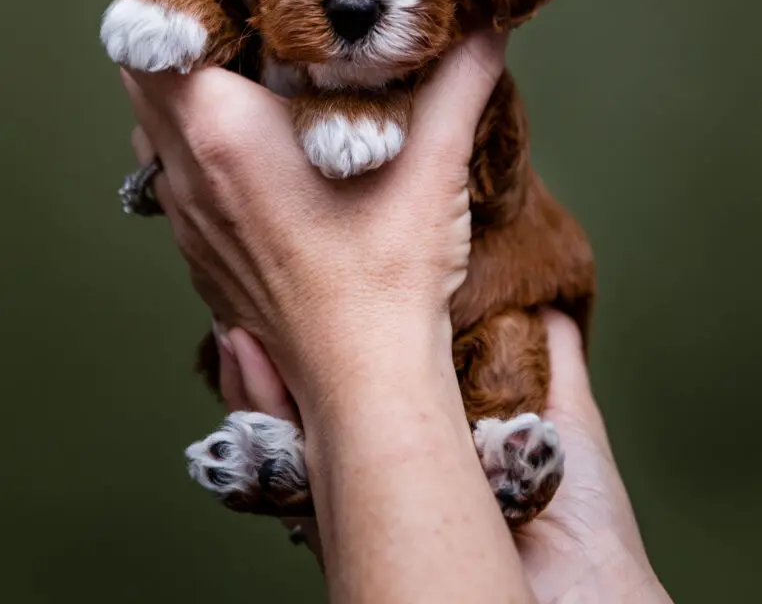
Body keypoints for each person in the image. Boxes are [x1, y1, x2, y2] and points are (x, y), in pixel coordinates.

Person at [121, 32, 673, 604]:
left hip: (472, 348)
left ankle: (317, 461)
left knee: (506, 353)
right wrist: (596, 570)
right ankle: (311, 464)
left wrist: (361, 381)